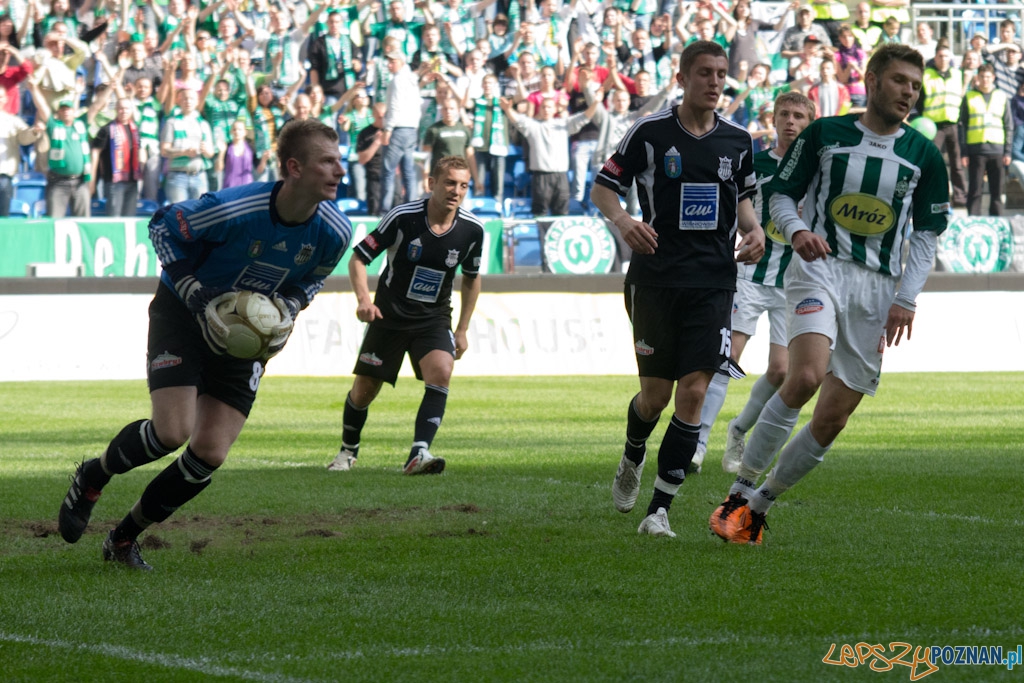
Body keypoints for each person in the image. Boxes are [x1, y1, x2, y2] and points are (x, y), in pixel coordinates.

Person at [57, 119, 352, 570]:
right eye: (328, 162)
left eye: (340, 161)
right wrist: (192, 289)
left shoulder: (335, 230)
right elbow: (161, 227)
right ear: (294, 167)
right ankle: (94, 476)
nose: (340, 171)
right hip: (184, 316)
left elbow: (312, 279)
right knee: (171, 432)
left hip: (243, 339)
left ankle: (123, 539)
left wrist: (290, 306)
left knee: (209, 452)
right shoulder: (236, 207)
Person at [709, 44, 950, 546]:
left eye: (916, 85)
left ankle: (758, 505)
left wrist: (907, 297)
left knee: (834, 415)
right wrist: (797, 231)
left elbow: (926, 235)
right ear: (874, 79)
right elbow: (781, 193)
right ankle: (737, 490)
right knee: (806, 375)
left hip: (877, 289)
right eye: (901, 81)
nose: (909, 92)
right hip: (818, 268)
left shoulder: (924, 154)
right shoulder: (826, 134)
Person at [591, 40, 766, 538]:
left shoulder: (737, 140)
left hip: (713, 282)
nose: (715, 82)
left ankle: (659, 510)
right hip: (655, 280)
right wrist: (623, 219)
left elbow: (747, 195)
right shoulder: (649, 133)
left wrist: (752, 229)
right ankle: (632, 452)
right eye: (705, 73)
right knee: (654, 396)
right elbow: (604, 188)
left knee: (693, 392)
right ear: (682, 78)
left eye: (722, 73)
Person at [326, 156, 483, 475]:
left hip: (434, 318)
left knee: (441, 370)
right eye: (450, 183)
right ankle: (347, 451)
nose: (456, 191)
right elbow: (358, 258)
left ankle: (419, 452)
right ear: (432, 183)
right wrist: (363, 300)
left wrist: (463, 329)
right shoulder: (403, 217)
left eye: (463, 185)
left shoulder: (472, 229)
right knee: (364, 391)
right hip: (389, 317)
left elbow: (472, 277)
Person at [697, 91, 816, 474]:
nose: (791, 121)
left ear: (810, 122)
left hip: (794, 282)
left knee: (782, 371)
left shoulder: (818, 172)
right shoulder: (757, 163)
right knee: (727, 359)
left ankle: (738, 430)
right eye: (784, 114)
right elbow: (732, 207)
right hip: (749, 275)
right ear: (774, 119)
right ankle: (696, 444)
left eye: (799, 115)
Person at [499, 93, 600, 218]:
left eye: (549, 107)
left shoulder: (564, 124)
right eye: (544, 107)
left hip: (561, 176)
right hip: (541, 176)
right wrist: (508, 109)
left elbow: (584, 117)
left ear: (555, 109)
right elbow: (517, 120)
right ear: (540, 109)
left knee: (561, 213)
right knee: (539, 213)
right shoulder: (533, 126)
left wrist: (596, 103)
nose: (546, 110)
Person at [959, 62, 1013, 217]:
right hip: (976, 150)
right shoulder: (969, 96)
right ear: (978, 77)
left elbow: (1008, 125)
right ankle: (973, 220)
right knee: (975, 190)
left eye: (988, 77)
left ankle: (996, 221)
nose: (985, 80)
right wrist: (964, 152)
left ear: (993, 78)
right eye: (982, 77)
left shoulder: (1002, 97)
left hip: (997, 149)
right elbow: (962, 126)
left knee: (997, 190)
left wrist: (1007, 151)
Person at [920, 45, 967, 207]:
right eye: (940, 56)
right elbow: (920, 100)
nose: (943, 59)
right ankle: (931, 195)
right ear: (935, 57)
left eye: (946, 56)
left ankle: (960, 197)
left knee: (956, 164)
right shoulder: (926, 75)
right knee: (932, 163)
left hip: (953, 124)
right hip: (933, 126)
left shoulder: (957, 74)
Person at [90, 97, 143, 217]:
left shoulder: (135, 129)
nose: (123, 111)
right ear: (116, 109)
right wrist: (92, 180)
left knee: (130, 218)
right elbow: (95, 153)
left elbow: (140, 151)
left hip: (132, 180)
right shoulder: (107, 129)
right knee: (114, 217)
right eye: (120, 108)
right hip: (114, 181)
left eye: (126, 108)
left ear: (131, 110)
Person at [0, 87, 42, 215]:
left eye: (1, 96)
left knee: (3, 215)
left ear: (6, 99)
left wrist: (34, 131)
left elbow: (24, 138)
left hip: (4, 175)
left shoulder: (12, 121)